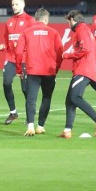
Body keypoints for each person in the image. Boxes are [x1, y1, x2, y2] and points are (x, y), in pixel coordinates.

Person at [15, 8, 64, 136]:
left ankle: (30, 126)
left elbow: (18, 52)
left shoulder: (26, 32)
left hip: (32, 71)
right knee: (46, 98)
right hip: (49, 71)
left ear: (35, 18)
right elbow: (60, 52)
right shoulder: (53, 32)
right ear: (46, 19)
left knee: (31, 99)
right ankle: (40, 126)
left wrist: (19, 69)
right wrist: (56, 68)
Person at [61, 10, 96, 138]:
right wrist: (92, 66)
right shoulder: (86, 30)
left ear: (72, 20)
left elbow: (85, 49)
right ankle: (67, 131)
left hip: (83, 69)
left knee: (75, 97)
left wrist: (67, 55)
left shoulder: (81, 30)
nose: (68, 25)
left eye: (68, 22)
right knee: (69, 100)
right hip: (85, 68)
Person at [0, 0, 35, 125]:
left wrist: (23, 47)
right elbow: (6, 39)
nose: (14, 6)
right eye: (13, 4)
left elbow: (33, 40)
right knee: (6, 83)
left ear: (23, 4)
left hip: (24, 59)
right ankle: (13, 112)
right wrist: (4, 46)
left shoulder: (30, 21)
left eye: (17, 4)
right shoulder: (9, 22)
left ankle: (29, 116)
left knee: (25, 89)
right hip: (10, 58)